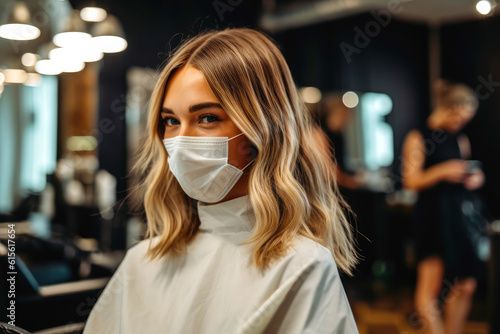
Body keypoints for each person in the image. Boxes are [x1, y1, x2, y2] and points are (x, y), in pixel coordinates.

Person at [83, 28, 359, 333]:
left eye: (207, 118)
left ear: (262, 128)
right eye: (171, 121)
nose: (182, 140)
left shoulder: (300, 267)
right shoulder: (142, 260)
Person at [402, 80, 484, 334]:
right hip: (432, 216)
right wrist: (441, 172)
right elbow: (410, 181)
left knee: (465, 284)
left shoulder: (460, 139)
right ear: (448, 108)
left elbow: (471, 170)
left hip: (459, 216)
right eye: (459, 116)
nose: (461, 123)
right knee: (431, 286)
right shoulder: (418, 136)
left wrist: (476, 178)